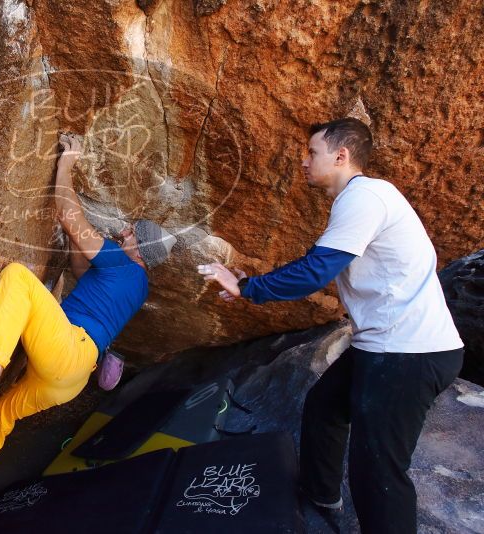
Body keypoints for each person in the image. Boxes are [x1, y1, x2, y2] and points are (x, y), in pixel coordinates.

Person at [198, 118, 463, 533]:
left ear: (341, 156)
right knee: (325, 406)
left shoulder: (366, 198)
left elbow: (314, 273)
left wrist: (248, 288)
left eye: (311, 152)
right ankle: (320, 496)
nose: (303, 161)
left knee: (377, 472)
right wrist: (250, 285)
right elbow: (313, 262)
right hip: (386, 345)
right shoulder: (359, 200)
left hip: (408, 353)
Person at [0, 133, 176, 487]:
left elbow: (66, 215)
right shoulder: (137, 286)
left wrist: (67, 163)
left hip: (67, 350)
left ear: (142, 251)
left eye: (133, 233)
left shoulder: (121, 264)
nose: (124, 231)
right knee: (4, 414)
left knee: (17, 276)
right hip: (70, 381)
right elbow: (82, 271)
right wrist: (78, 221)